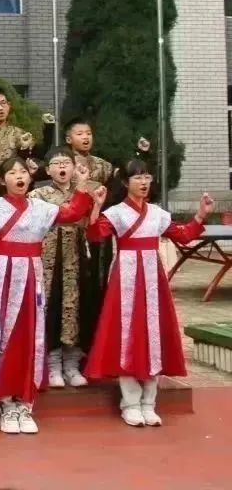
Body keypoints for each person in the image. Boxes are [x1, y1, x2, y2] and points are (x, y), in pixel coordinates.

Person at [0, 157, 95, 435]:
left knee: (28, 334)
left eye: (23, 171)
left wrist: (82, 185)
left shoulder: (41, 208)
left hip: (31, 278)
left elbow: (72, 214)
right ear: (3, 180)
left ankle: (25, 401)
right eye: (12, 173)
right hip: (0, 279)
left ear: (30, 177)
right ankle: (4, 401)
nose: (19, 176)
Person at [84, 160, 211, 427]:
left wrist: (200, 215)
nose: (143, 182)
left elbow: (184, 235)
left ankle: (149, 403)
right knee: (126, 335)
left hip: (153, 280)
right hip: (125, 279)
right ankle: (130, 404)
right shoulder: (116, 213)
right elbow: (95, 235)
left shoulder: (157, 214)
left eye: (147, 177)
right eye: (137, 178)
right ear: (125, 182)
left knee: (152, 334)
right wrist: (96, 206)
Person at [29, 146, 91, 389]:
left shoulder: (87, 191)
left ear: (74, 167)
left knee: (76, 306)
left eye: (67, 162)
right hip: (48, 260)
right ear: (48, 170)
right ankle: (52, 363)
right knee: (50, 305)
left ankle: (72, 363)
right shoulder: (38, 194)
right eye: (56, 163)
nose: (62, 166)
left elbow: (92, 221)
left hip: (76, 257)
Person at [0, 86, 52, 166]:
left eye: (3, 103)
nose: (0, 108)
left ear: (9, 105)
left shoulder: (19, 133)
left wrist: (49, 127)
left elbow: (39, 154)